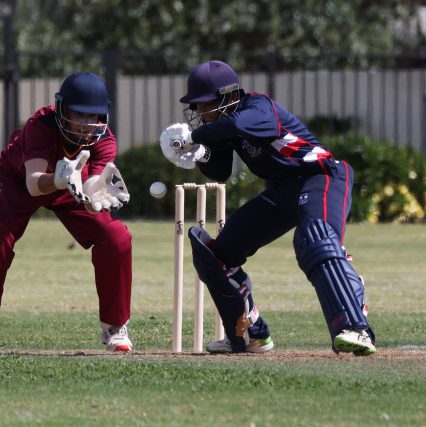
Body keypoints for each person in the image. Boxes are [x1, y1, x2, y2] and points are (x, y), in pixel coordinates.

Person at [160, 60, 376, 355]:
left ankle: (355, 327)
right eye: (197, 105)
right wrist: (200, 154)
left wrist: (193, 137)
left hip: (320, 177)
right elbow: (220, 171)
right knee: (217, 257)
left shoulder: (258, 108)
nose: (201, 111)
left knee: (314, 239)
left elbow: (237, 124)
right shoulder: (220, 126)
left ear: (229, 96)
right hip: (280, 192)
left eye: (206, 103)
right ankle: (250, 334)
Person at [0, 72, 133, 353]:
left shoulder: (104, 140)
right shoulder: (41, 124)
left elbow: (91, 193)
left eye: (93, 116)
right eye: (79, 114)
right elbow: (34, 184)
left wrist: (94, 196)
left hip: (72, 185)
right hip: (21, 179)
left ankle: (114, 327)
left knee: (115, 236)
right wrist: (60, 179)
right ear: (62, 109)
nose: (86, 124)